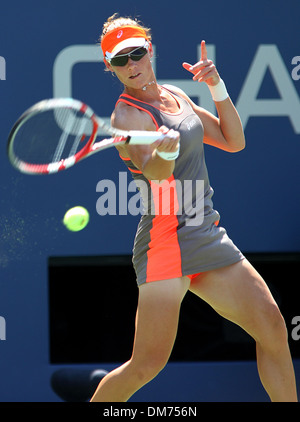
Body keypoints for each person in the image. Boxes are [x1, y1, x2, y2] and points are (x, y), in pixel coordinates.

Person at [90, 13, 298, 402]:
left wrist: (216, 87)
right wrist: (164, 151)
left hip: (204, 231)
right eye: (120, 60)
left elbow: (233, 141)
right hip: (165, 243)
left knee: (271, 325)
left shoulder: (177, 95)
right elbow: (154, 172)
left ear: (149, 50)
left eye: (136, 53)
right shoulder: (126, 116)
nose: (131, 65)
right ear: (109, 66)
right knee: (146, 364)